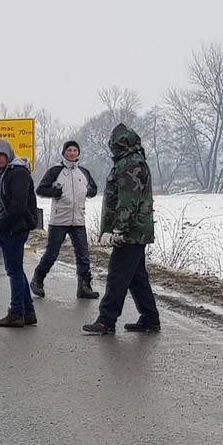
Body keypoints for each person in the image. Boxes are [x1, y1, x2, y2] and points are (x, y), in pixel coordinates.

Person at [84, 124, 160, 336]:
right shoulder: (132, 161)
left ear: (119, 144)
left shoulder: (129, 164)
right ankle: (150, 317)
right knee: (136, 276)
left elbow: (128, 200)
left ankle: (106, 320)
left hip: (131, 231)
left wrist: (119, 229)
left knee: (118, 275)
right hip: (137, 230)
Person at [32, 140, 99, 299]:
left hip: (78, 220)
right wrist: (54, 192)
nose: (72, 153)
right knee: (52, 254)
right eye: (69, 150)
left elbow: (94, 190)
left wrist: (89, 192)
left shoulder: (83, 172)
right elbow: (40, 189)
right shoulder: (55, 171)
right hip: (59, 220)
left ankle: (84, 287)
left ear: (78, 153)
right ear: (63, 153)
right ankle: (37, 280)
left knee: (83, 255)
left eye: (75, 150)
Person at [0, 139, 39, 328]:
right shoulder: (1, 174)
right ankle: (28, 311)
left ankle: (16, 312)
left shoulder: (17, 173)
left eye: (1, 155)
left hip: (13, 227)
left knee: (14, 271)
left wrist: (1, 225)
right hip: (9, 226)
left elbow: (18, 204)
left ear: (8, 154)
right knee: (16, 269)